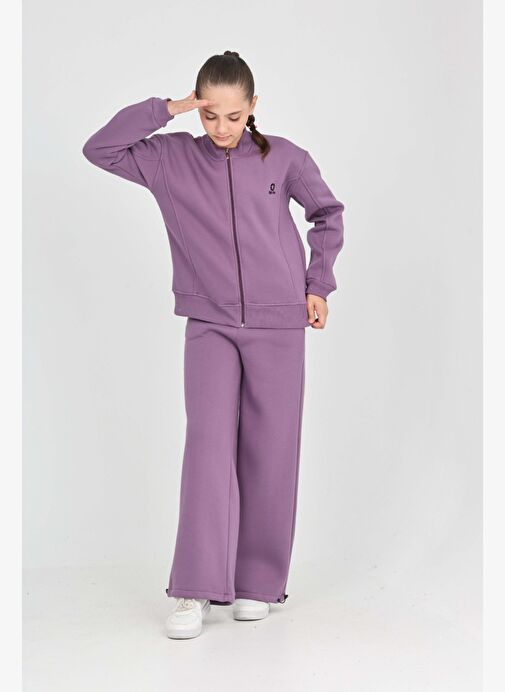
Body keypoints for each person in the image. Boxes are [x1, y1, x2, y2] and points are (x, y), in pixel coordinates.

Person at [82, 50, 345, 640]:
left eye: (233, 115)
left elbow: (327, 214)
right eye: (209, 115)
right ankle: (196, 587)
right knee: (207, 447)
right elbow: (100, 148)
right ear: (197, 109)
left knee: (272, 448)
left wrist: (318, 285)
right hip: (209, 324)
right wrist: (167, 109)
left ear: (253, 107)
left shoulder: (285, 157)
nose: (221, 128)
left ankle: (258, 583)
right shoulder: (169, 158)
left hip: (280, 324)